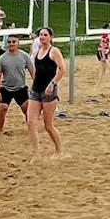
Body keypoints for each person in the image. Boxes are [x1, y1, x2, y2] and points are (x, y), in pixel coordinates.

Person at [27, 26, 66, 156]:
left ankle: (59, 150)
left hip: (49, 92)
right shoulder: (37, 51)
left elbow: (62, 69)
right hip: (36, 90)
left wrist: (53, 83)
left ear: (50, 37)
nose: (42, 37)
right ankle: (36, 152)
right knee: (30, 121)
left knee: (48, 125)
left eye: (45, 35)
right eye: (41, 35)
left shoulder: (54, 51)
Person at [0, 35, 34, 145]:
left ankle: (32, 131)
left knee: (27, 110)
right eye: (9, 42)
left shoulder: (24, 56)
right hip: (6, 88)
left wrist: (36, 87)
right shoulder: (2, 58)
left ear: (18, 43)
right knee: (2, 109)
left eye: (13, 41)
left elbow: (32, 72)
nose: (11, 44)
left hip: (20, 88)